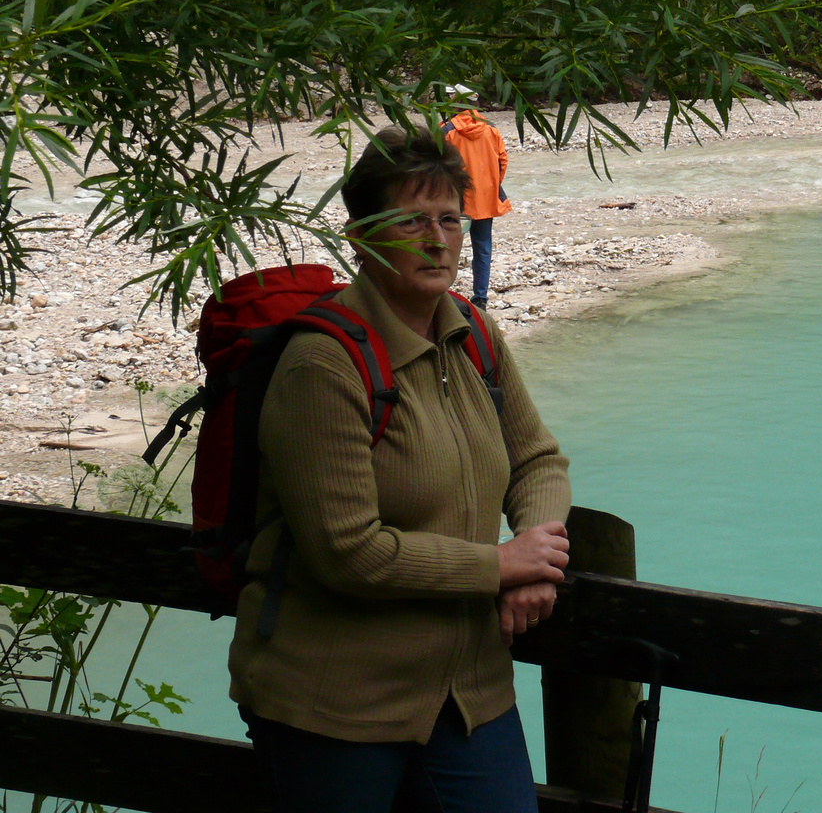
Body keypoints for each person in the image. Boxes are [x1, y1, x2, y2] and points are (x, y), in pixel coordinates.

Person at [229, 126, 571, 813]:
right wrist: (499, 567)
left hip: (468, 692)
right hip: (335, 705)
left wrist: (537, 555)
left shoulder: (473, 332)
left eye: (450, 218)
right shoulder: (322, 366)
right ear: (359, 237)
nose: (438, 239)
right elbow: (348, 552)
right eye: (411, 221)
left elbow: (538, 459)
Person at [444, 108, 512, 309]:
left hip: (455, 201)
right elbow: (502, 161)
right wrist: (491, 186)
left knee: (447, 245)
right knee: (482, 247)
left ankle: (441, 292)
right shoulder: (491, 129)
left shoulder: (446, 131)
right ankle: (480, 297)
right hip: (484, 198)